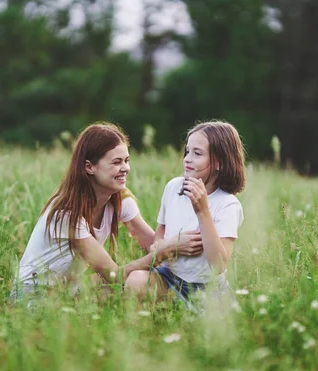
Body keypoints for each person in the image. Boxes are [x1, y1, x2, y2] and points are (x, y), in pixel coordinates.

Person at [14, 122, 202, 303]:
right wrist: (165, 250)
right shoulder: (66, 214)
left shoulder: (120, 201)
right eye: (116, 162)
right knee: (117, 288)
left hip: (69, 291)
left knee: (127, 292)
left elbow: (151, 243)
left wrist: (184, 250)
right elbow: (114, 275)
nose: (125, 168)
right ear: (89, 167)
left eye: (126, 160)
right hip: (33, 296)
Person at [124, 121, 246, 305]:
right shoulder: (174, 187)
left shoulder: (227, 204)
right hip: (169, 277)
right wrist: (161, 247)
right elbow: (162, 229)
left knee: (213, 327)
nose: (187, 158)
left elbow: (219, 265)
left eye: (197, 153)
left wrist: (202, 210)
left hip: (205, 288)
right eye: (187, 151)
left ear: (219, 162)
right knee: (135, 280)